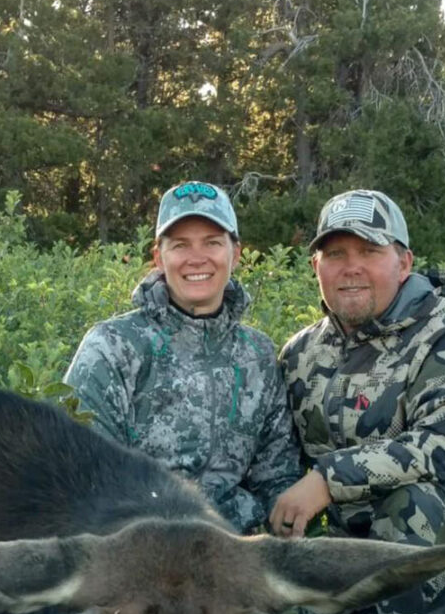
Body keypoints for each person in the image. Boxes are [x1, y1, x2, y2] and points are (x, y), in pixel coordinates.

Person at [268, 188, 445, 614]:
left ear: (404, 263)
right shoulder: (300, 354)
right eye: (335, 253)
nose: (351, 266)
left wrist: (327, 480)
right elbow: (280, 462)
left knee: (413, 505)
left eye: (370, 250)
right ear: (315, 267)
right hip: (350, 547)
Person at [62, 181, 300, 533]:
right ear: (159, 257)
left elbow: (276, 476)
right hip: (140, 547)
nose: (196, 258)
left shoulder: (258, 354)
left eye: (212, 243)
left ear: (235, 253)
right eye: (180, 245)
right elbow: (83, 475)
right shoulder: (112, 346)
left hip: (239, 551)